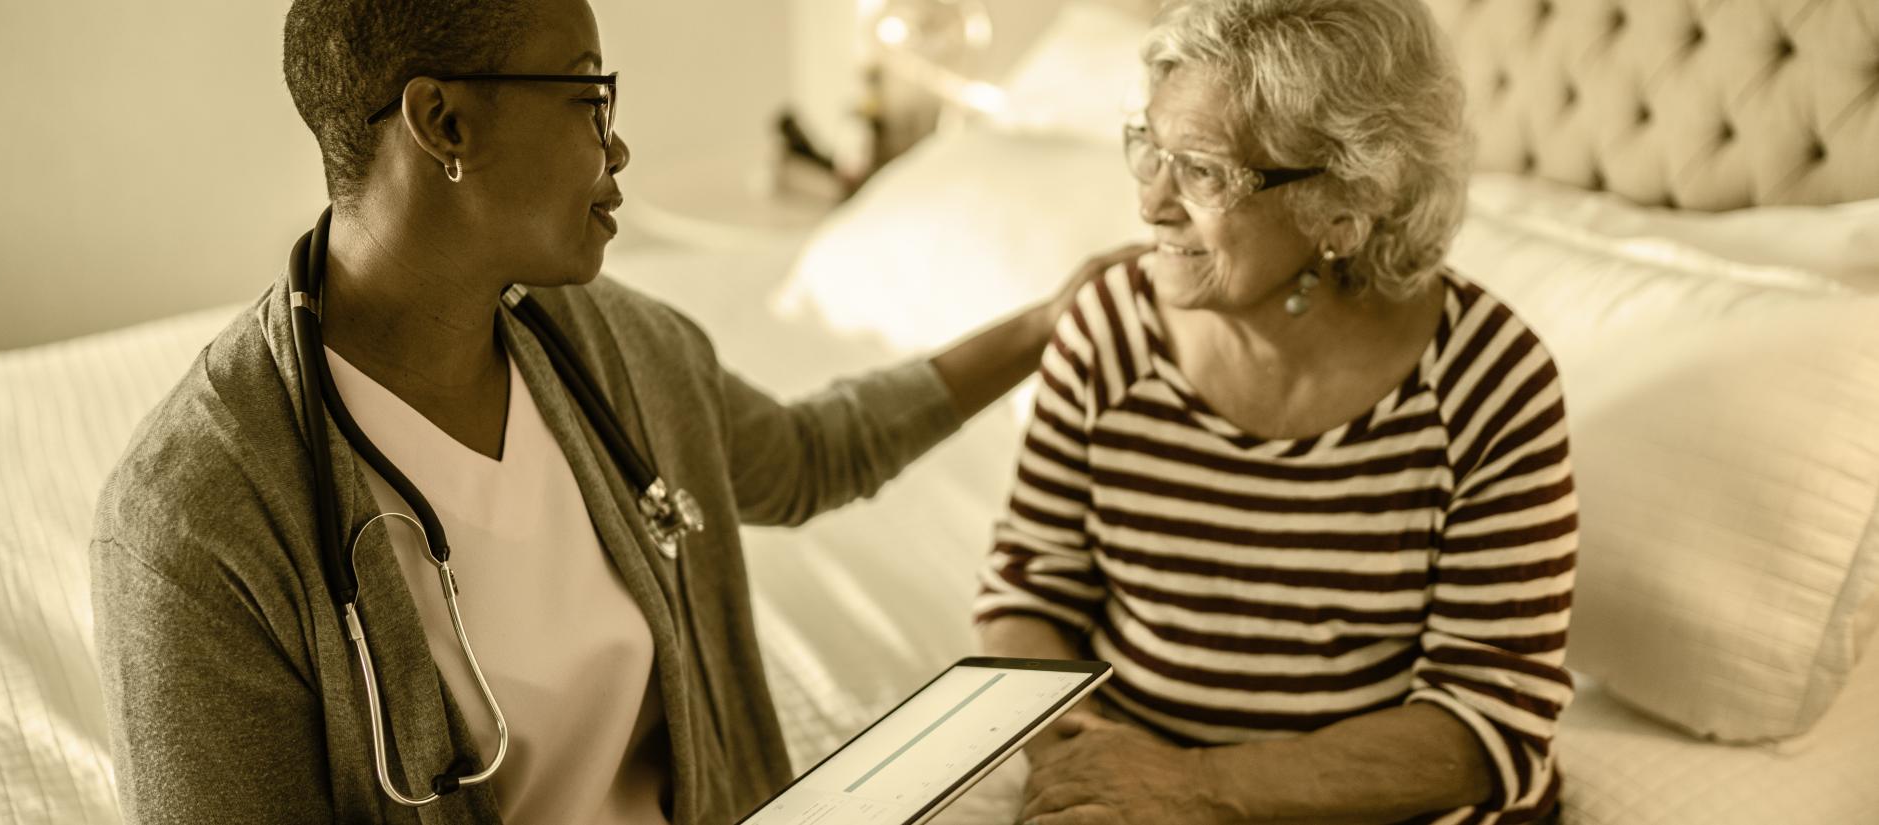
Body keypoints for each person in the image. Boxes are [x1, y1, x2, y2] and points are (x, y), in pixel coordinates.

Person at [87, 0, 1142, 822]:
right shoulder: (195, 523)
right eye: (589, 97)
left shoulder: (618, 349)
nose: (619, 146)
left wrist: (1045, 323)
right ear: (442, 121)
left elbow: (813, 456)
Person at [974, 1, 1577, 823]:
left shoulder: (1490, 382)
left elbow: (1486, 726)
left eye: (1203, 170)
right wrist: (1091, 765)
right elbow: (1027, 594)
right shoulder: (1108, 327)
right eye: (1149, 148)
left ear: (1345, 203)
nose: (1151, 203)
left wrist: (1192, 788)